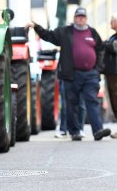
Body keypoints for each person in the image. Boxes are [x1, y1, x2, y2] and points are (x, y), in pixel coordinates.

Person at [26, 7, 111, 141]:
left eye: (83, 17)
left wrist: (98, 69)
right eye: (78, 16)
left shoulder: (92, 32)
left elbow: (100, 49)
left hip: (90, 74)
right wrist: (36, 26)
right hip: (71, 74)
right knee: (72, 104)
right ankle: (75, 131)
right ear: (74, 18)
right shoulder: (65, 32)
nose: (81, 19)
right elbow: (49, 35)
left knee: (92, 101)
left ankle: (98, 130)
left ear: (86, 18)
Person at [103, 13, 117, 139]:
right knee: (113, 101)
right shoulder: (113, 36)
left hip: (115, 72)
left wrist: (104, 44)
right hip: (111, 73)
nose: (110, 23)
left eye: (112, 20)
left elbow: (114, 47)